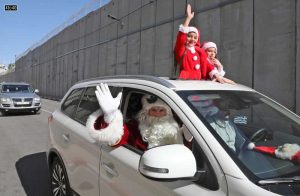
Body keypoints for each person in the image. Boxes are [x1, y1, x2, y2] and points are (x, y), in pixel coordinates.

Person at [86, 83, 191, 151]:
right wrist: (110, 116)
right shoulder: (135, 128)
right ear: (146, 112)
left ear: (168, 113)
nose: (158, 113)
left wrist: (189, 134)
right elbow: (115, 139)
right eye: (153, 110)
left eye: (161, 110)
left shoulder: (178, 126)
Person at [173, 4, 234, 84]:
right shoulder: (182, 49)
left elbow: (208, 65)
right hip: (185, 81)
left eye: (195, 38)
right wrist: (188, 19)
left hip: (199, 82)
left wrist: (217, 75)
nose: (192, 39)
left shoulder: (199, 51)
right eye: (190, 36)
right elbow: (181, 37)